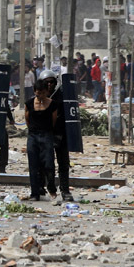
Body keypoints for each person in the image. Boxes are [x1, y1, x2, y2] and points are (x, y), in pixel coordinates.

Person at [38, 69, 74, 201]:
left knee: (63, 163)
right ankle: (41, 187)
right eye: (46, 82)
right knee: (44, 163)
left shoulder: (62, 96)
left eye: (51, 82)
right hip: (45, 135)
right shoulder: (38, 97)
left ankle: (65, 190)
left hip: (61, 134)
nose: (49, 85)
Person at [24, 79, 58, 200]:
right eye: (38, 93)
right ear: (34, 92)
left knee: (48, 163)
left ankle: (51, 188)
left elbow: (53, 121)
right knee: (33, 165)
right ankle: (35, 192)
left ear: (46, 92)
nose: (40, 96)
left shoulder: (52, 104)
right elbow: (27, 119)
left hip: (46, 135)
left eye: (43, 93)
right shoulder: (29, 103)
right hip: (33, 135)